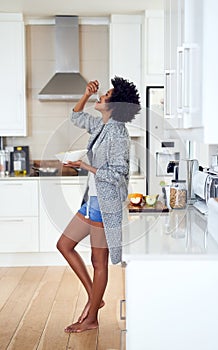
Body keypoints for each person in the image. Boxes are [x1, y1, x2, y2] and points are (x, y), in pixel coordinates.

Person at [57, 76, 141, 333]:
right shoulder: (104, 125)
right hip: (93, 200)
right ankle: (96, 298)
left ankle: (92, 317)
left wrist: (85, 166)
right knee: (64, 245)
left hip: (106, 204)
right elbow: (76, 117)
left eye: (106, 95)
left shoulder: (117, 133)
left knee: (99, 262)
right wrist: (85, 95)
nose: (101, 95)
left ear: (114, 105)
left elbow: (117, 173)